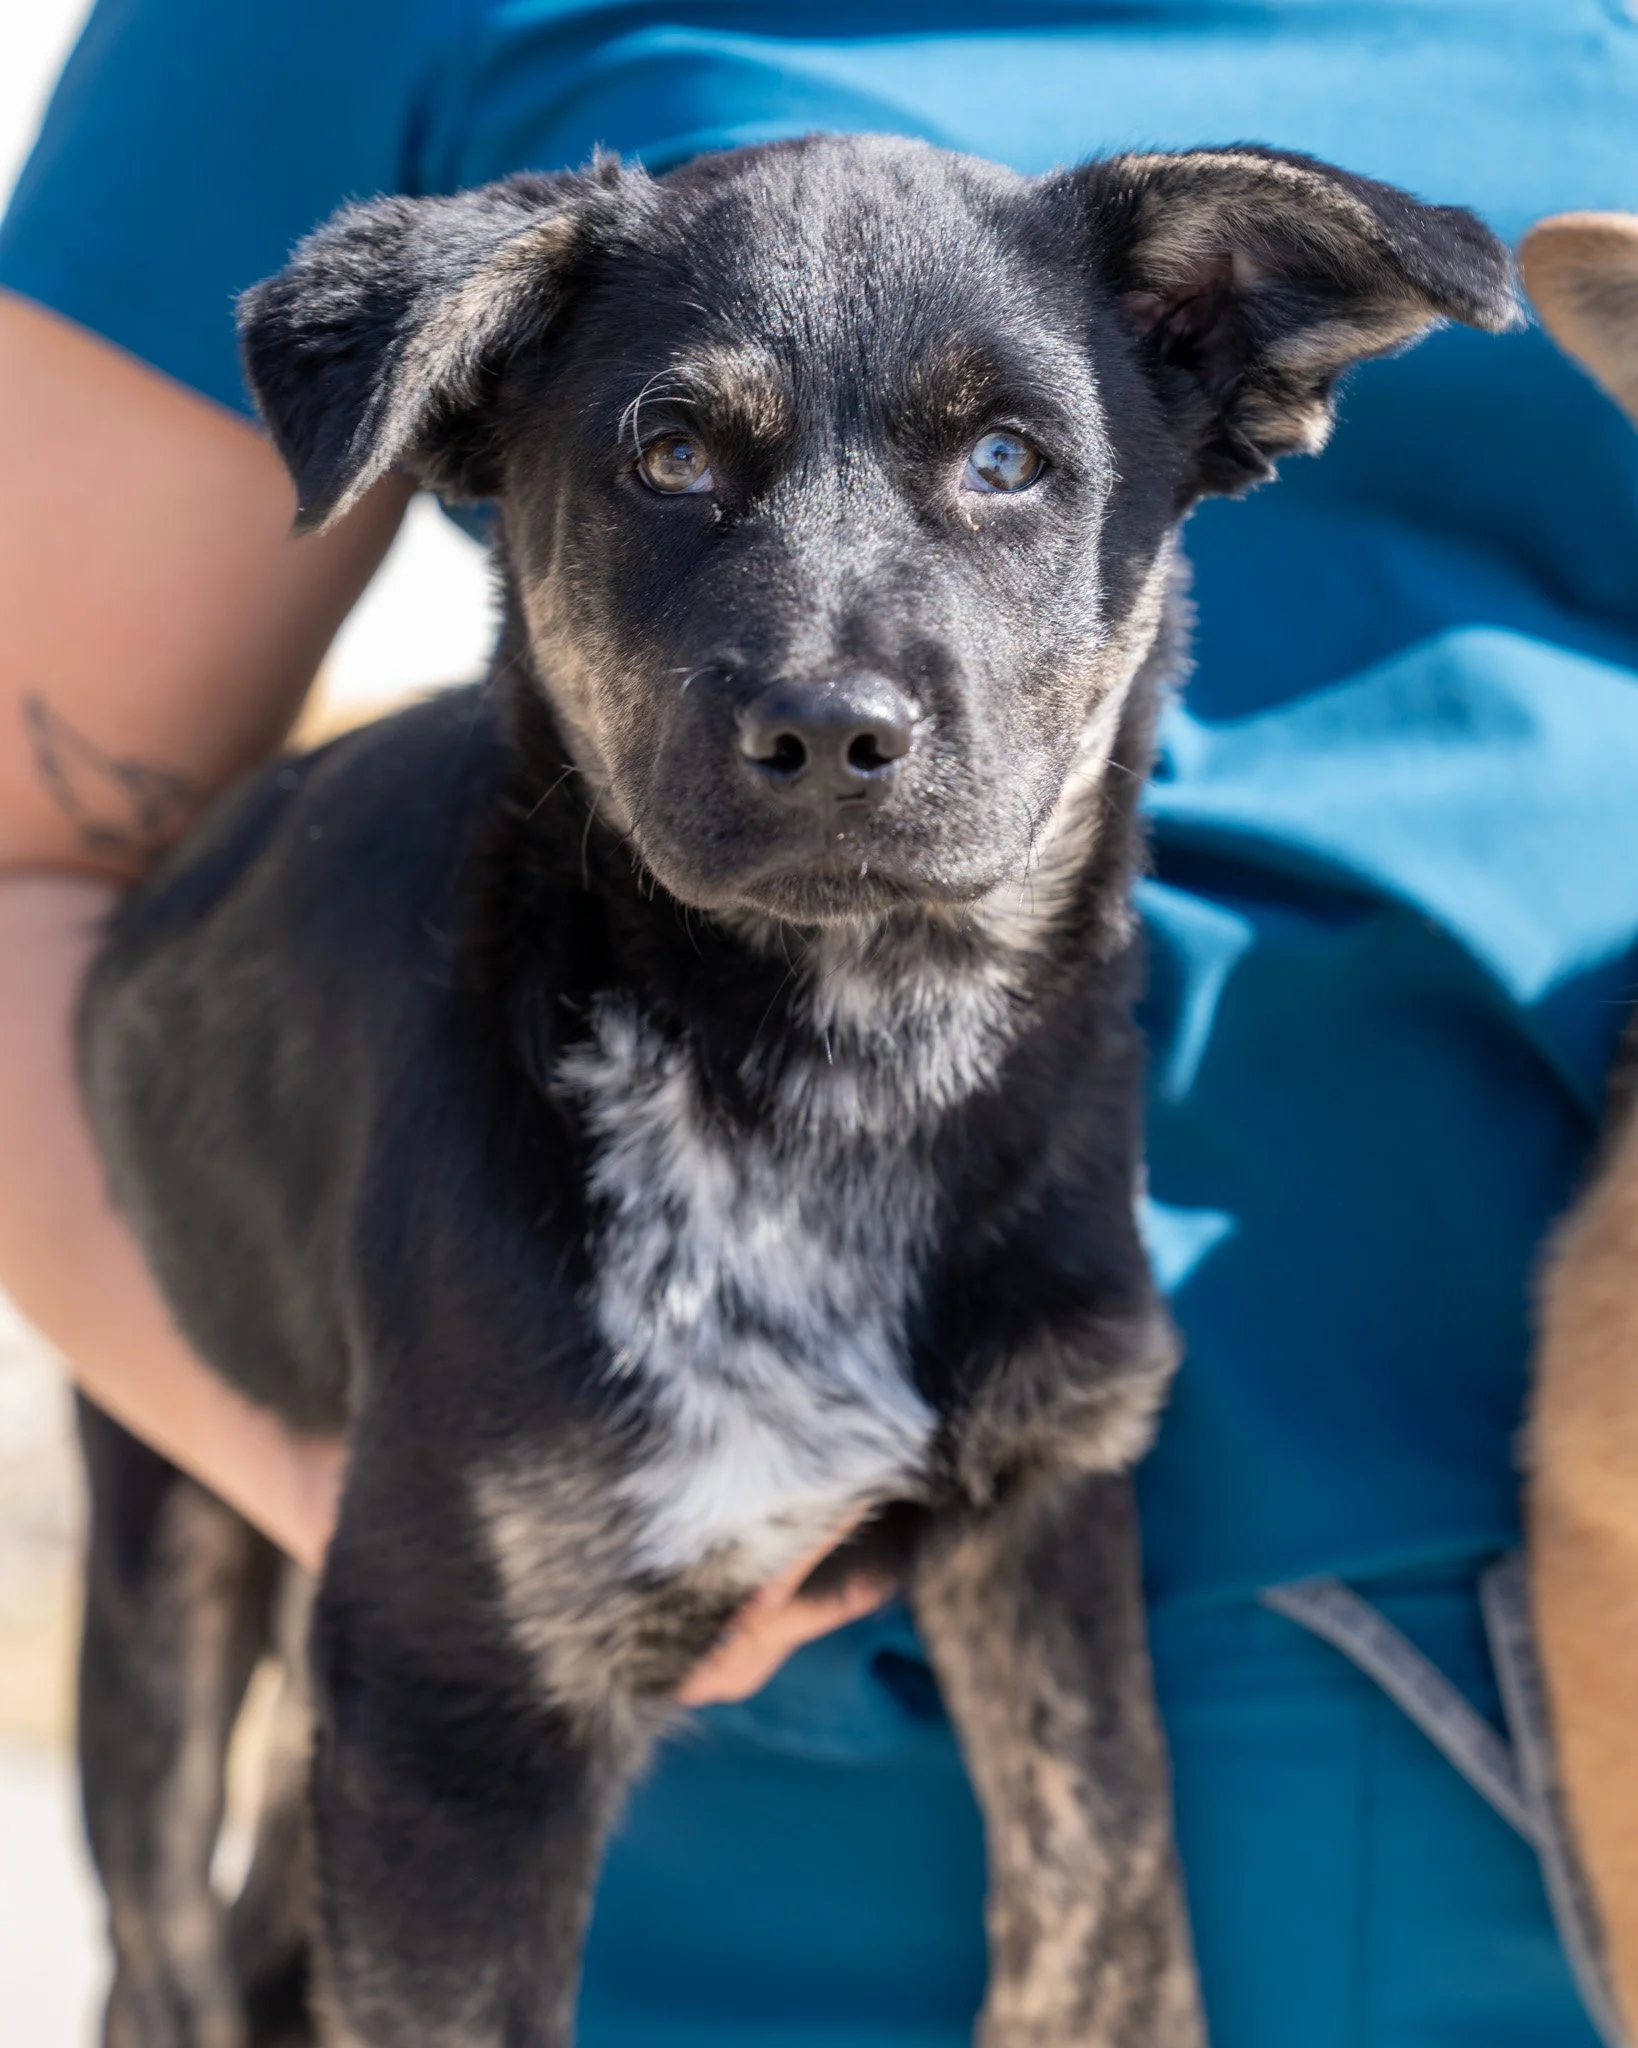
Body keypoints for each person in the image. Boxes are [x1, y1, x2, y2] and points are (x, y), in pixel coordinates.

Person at [2, 4, 1636, 2044]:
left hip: (1557, 1810)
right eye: (676, 455)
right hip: (686, 1922)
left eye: (1008, 459)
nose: (838, 680)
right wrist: (431, 1557)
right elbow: (28, 886)